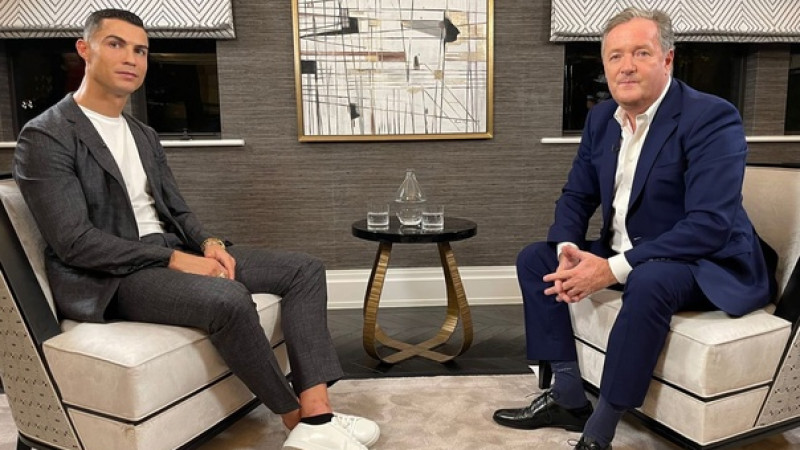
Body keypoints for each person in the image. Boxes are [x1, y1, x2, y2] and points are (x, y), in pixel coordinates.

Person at [12, 9, 378, 450]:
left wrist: (208, 243)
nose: (131, 58)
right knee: (228, 297)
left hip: (164, 252)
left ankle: (317, 415)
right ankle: (292, 417)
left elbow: (178, 209)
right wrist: (173, 259)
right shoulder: (47, 135)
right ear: (84, 50)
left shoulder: (142, 134)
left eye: (140, 50)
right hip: (109, 276)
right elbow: (75, 242)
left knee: (304, 269)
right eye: (116, 44)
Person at [493, 7, 774, 450]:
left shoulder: (711, 117)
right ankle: (567, 395)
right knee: (536, 259)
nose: (626, 66)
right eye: (615, 56)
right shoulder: (602, 118)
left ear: (667, 59)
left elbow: (709, 225)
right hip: (631, 250)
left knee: (649, 278)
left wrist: (611, 269)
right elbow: (576, 195)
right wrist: (567, 249)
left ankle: (600, 429)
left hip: (705, 261)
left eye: (641, 53)